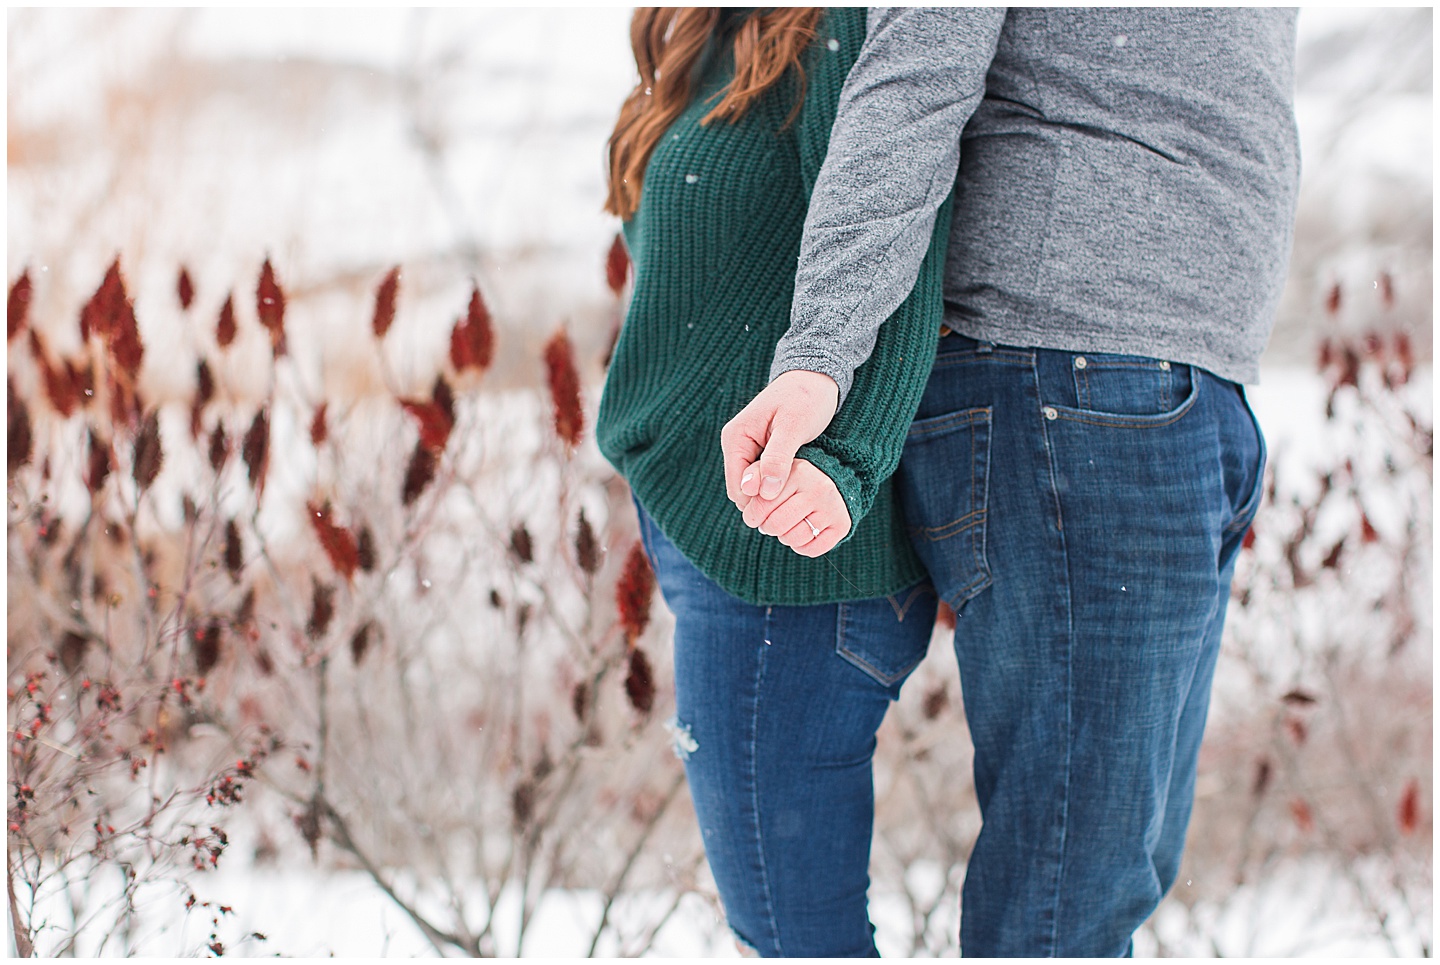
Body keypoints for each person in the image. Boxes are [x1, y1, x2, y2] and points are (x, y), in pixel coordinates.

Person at [723, 8, 1300, 957]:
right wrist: (822, 351)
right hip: (1072, 386)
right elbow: (912, 80)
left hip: (1176, 393)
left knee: (1115, 869)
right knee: (1069, 893)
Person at [594, 8, 957, 957]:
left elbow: (901, 243)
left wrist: (848, 457)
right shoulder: (705, 39)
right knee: (784, 927)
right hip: (710, 540)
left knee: (796, 935)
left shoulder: (836, 31)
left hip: (791, 561)